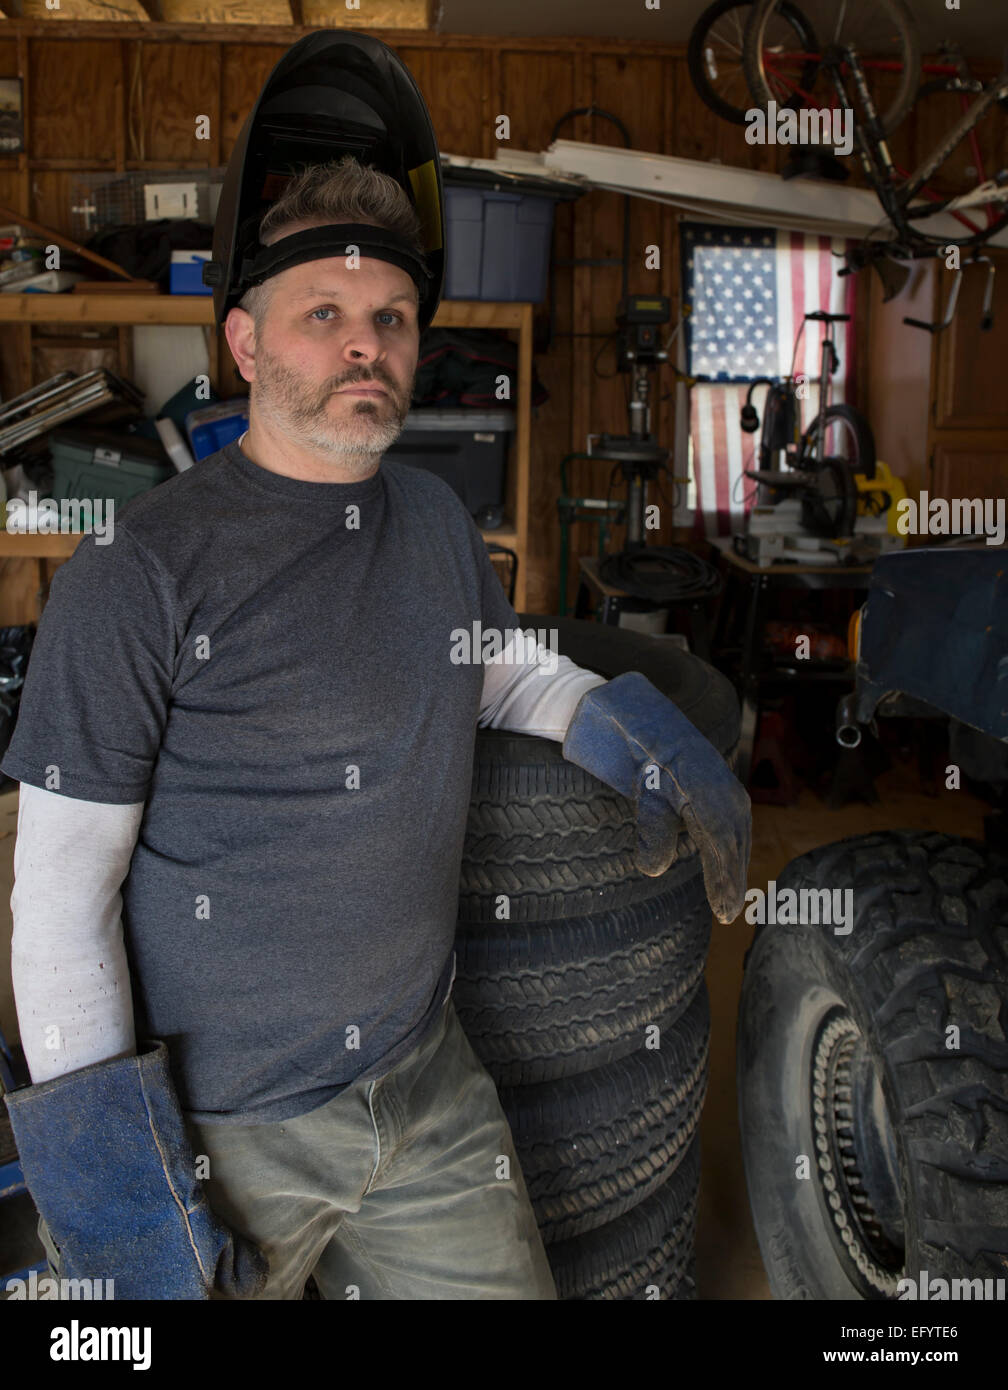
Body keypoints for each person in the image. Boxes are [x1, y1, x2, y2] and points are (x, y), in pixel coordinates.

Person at [2, 156, 749, 1301]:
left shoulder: (437, 519)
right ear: (247, 345)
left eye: (392, 317)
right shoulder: (135, 573)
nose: (368, 344)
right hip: (225, 1128)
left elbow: (491, 669)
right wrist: (122, 1197)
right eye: (327, 314)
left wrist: (607, 712)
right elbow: (60, 901)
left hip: (425, 1084)